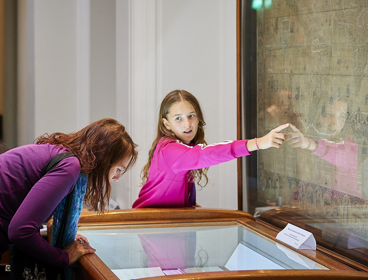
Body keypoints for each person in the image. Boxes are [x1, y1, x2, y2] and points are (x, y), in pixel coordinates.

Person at [0, 118, 138, 269]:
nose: (117, 178)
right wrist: (63, 257)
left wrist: (62, 236)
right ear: (104, 160)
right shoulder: (69, 167)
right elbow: (21, 231)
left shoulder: (61, 152)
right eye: (118, 169)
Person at [132, 90, 289, 208]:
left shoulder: (182, 147)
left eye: (191, 116)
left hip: (167, 226)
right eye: (178, 118)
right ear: (166, 124)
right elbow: (206, 154)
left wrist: (189, 206)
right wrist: (257, 143)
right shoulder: (169, 150)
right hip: (155, 227)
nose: (187, 123)